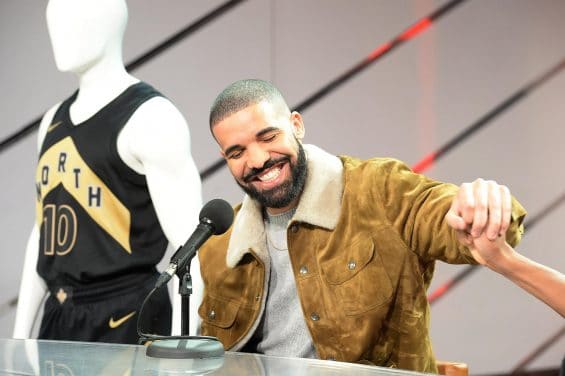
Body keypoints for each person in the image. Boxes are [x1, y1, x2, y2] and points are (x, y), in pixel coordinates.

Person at [196, 78, 530, 373]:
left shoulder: (380, 190)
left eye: (268, 136)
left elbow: (453, 217)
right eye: (236, 152)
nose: (256, 160)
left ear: (296, 125)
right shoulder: (218, 244)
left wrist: (485, 207)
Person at [13, 0, 202, 344]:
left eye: (73, 20)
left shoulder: (151, 117)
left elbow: (191, 252)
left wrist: (183, 351)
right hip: (58, 320)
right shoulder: (52, 121)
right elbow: (43, 230)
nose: (59, 32)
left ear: (111, 23)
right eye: (53, 21)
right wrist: (18, 338)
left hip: (127, 319)